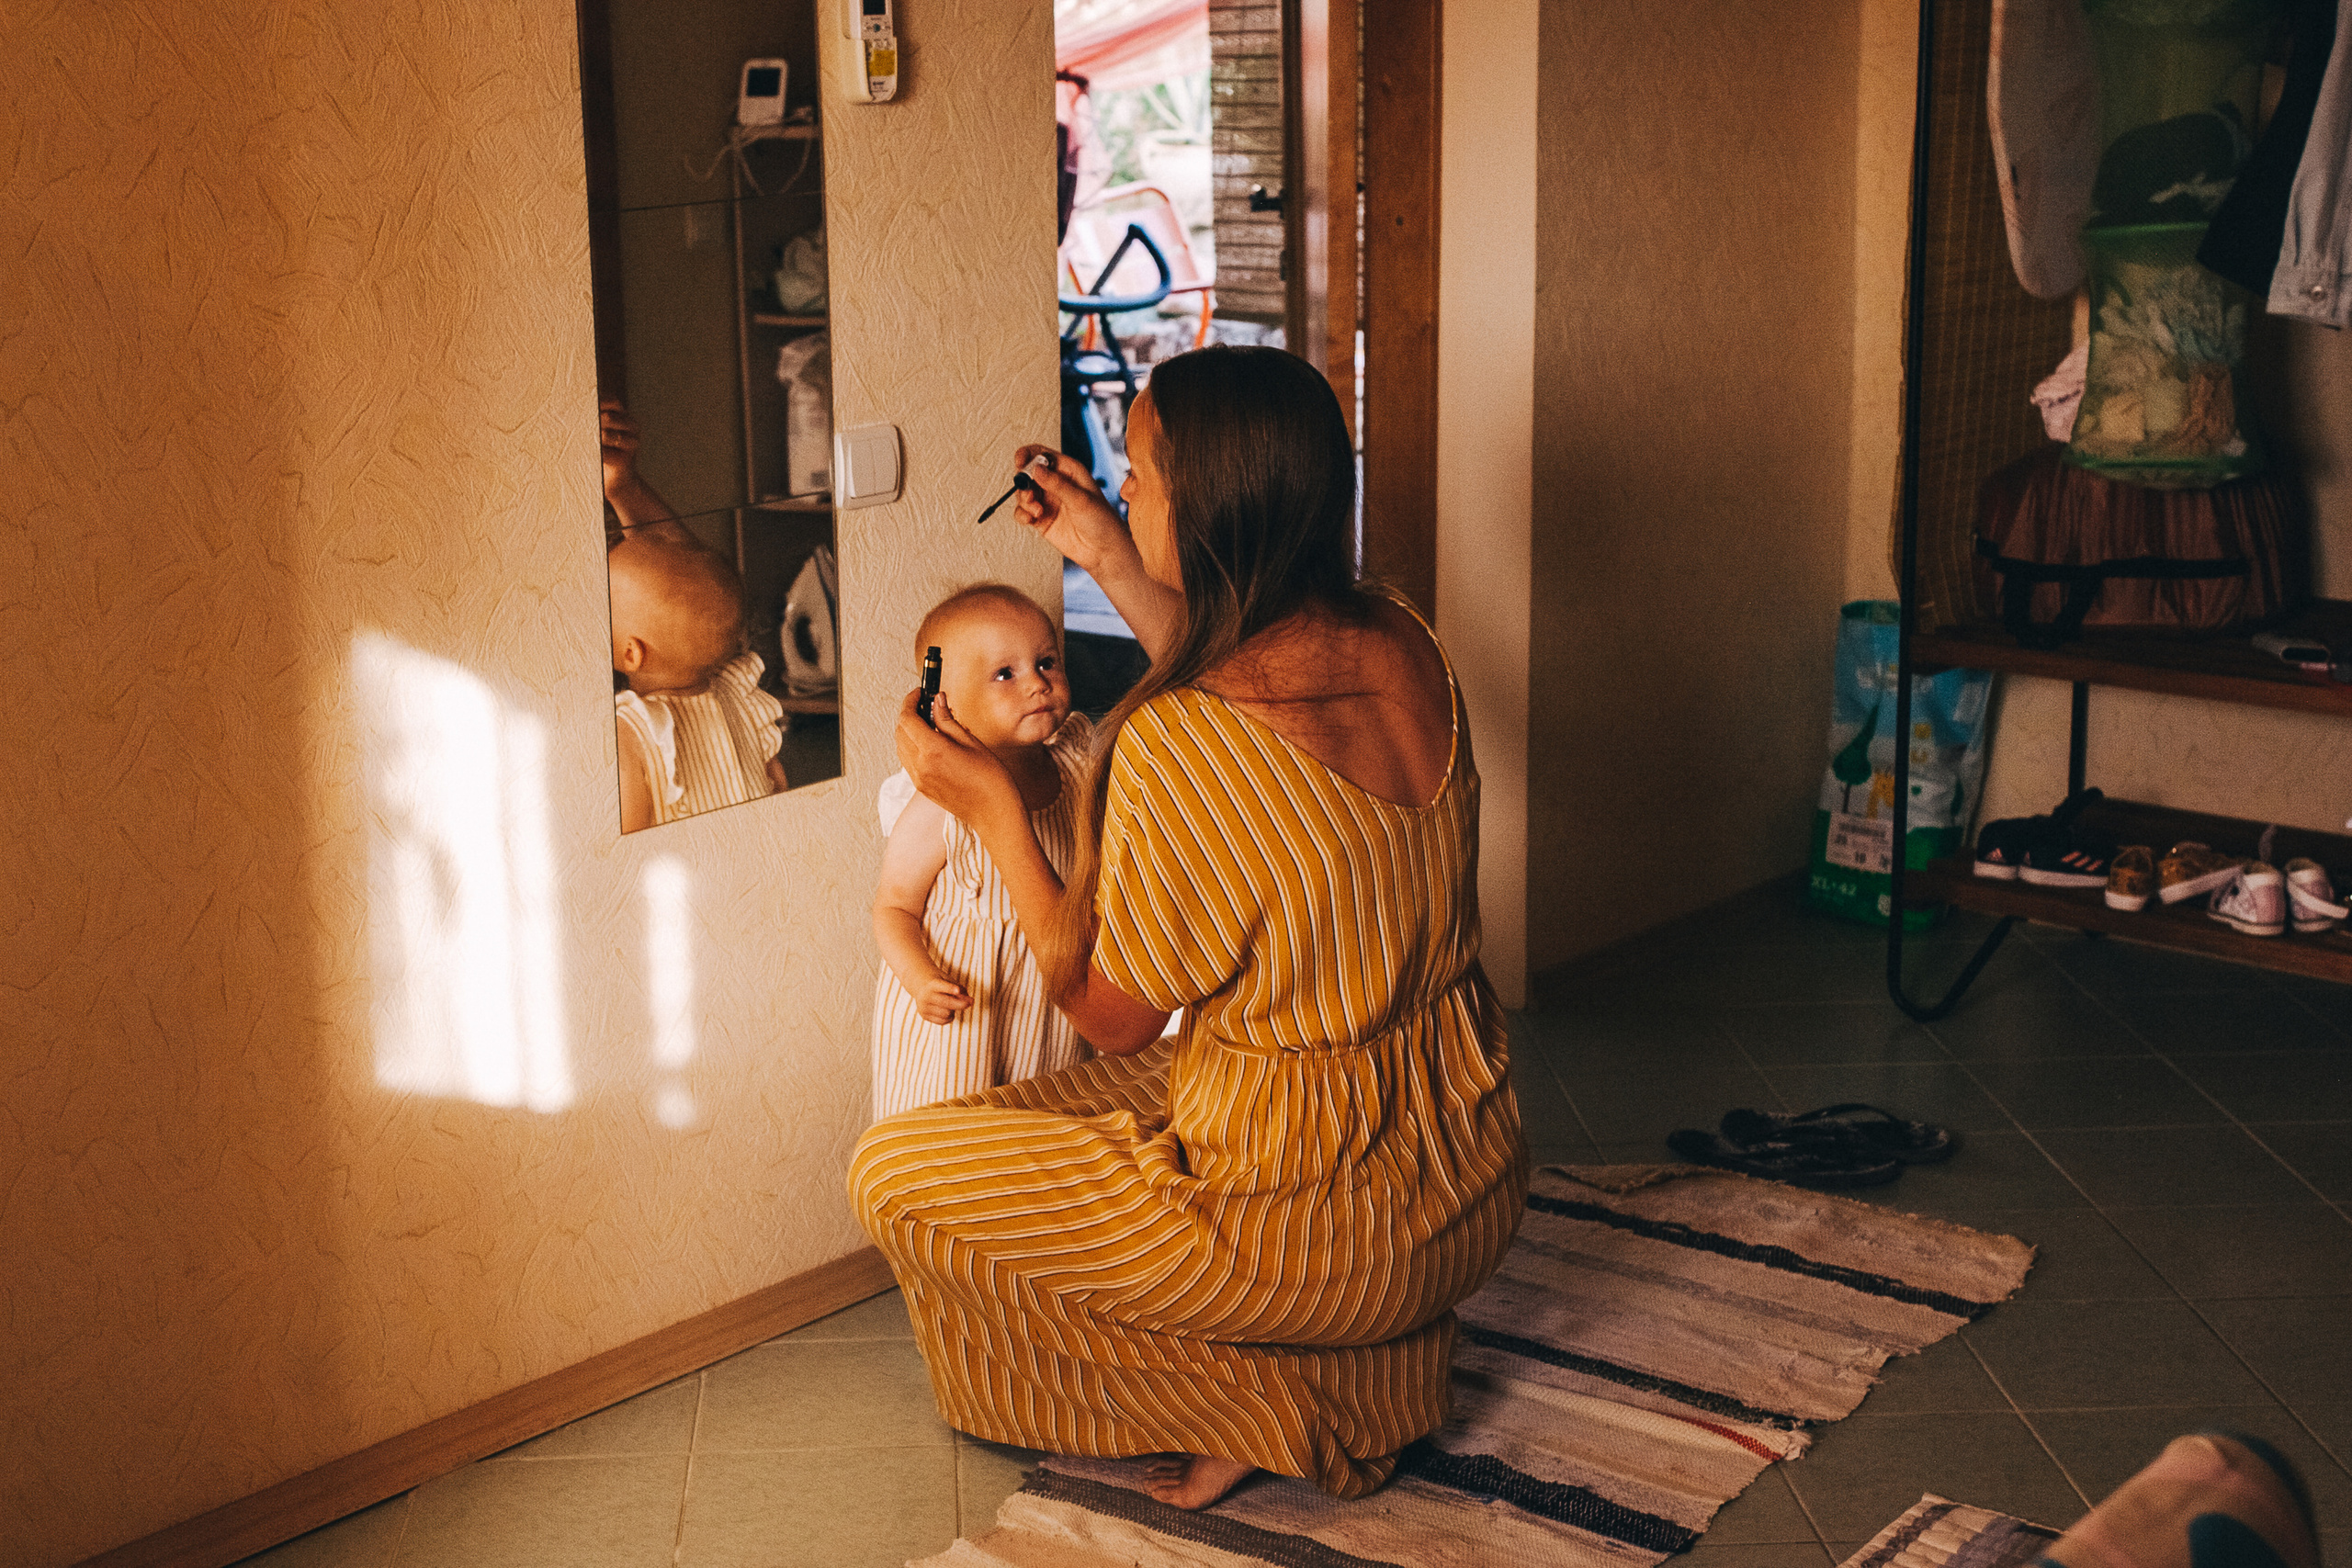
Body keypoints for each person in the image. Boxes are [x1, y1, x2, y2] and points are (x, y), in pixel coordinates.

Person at [849, 345, 1528, 1511]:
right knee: (1002, 1114)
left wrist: (994, 812)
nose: (1123, 486)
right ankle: (1386, 1355)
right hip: (1463, 1158)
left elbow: (1109, 1016)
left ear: (1202, 502)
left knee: (897, 1170)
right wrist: (1108, 548)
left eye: (1139, 472)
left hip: (1309, 1216)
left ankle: (1265, 1400)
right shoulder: (1403, 640)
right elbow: (1241, 670)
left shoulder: (1176, 746)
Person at [869, 584, 1094, 1119]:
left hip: (1049, 1009)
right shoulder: (940, 804)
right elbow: (893, 907)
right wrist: (920, 979)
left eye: (1046, 662)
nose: (1037, 684)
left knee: (1043, 1124)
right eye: (1005, 674)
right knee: (957, 1141)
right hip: (966, 1017)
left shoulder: (1076, 763)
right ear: (943, 705)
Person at [600, 401, 789, 833]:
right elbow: (777, 782)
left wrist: (622, 486)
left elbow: (627, 846)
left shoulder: (631, 729)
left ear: (632, 654)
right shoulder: (737, 692)